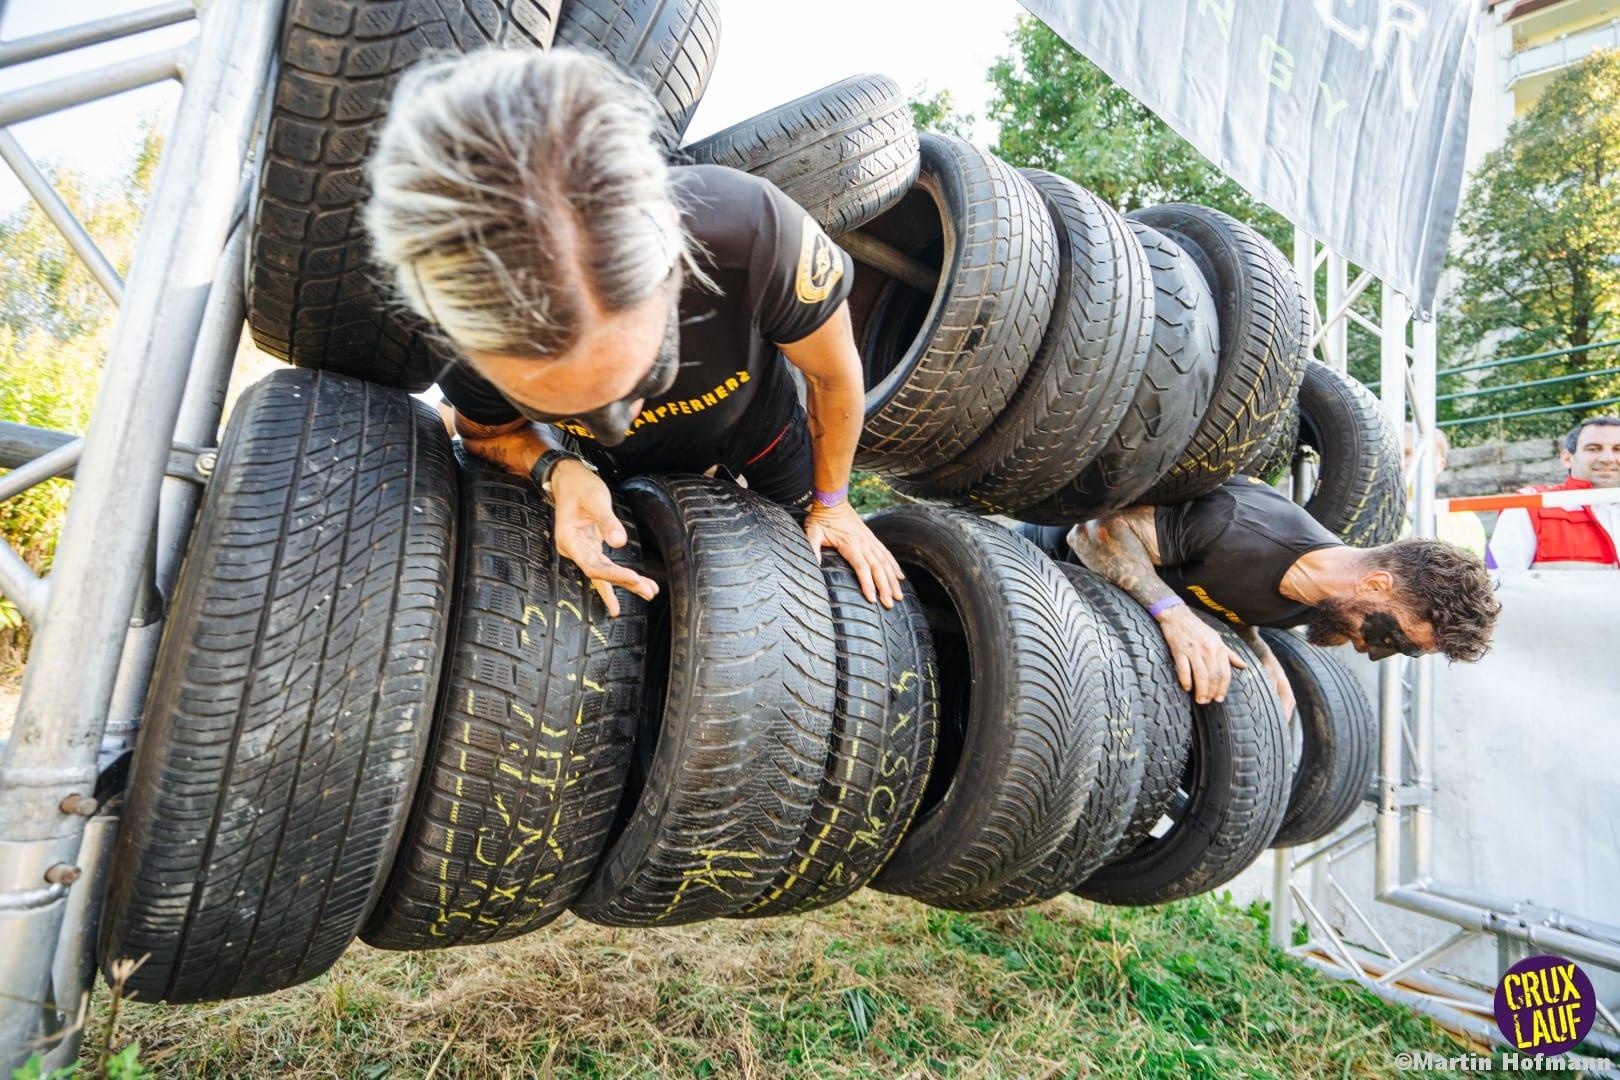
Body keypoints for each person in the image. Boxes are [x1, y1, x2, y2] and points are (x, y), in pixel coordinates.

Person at [363, 48, 904, 615]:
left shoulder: (758, 235)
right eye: (575, 405)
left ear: (671, 242)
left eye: (643, 373)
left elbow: (833, 375)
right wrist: (558, 467)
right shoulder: (459, 345)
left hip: (760, 433)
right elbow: (487, 436)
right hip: (608, 472)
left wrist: (834, 502)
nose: (616, 423)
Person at [1019, 476, 1501, 717]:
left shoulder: (1320, 600)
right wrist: (1174, 616)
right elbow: (1096, 533)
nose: (1370, 650)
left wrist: (1259, 651)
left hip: (1080, 620)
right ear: (1376, 585)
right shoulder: (1240, 526)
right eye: (1389, 635)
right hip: (1029, 573)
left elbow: (1225, 592)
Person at [1487, 415, 1620, 570]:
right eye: (1593, 449)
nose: (1608, 458)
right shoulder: (1527, 506)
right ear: (1567, 458)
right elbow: (1500, 586)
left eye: (1618, 449)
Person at [1403, 424, 1486, 557]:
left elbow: (1483, 571)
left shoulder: (1466, 518)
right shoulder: (1370, 517)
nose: (1414, 460)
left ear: (1440, 464)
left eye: (1425, 454)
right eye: (1405, 453)